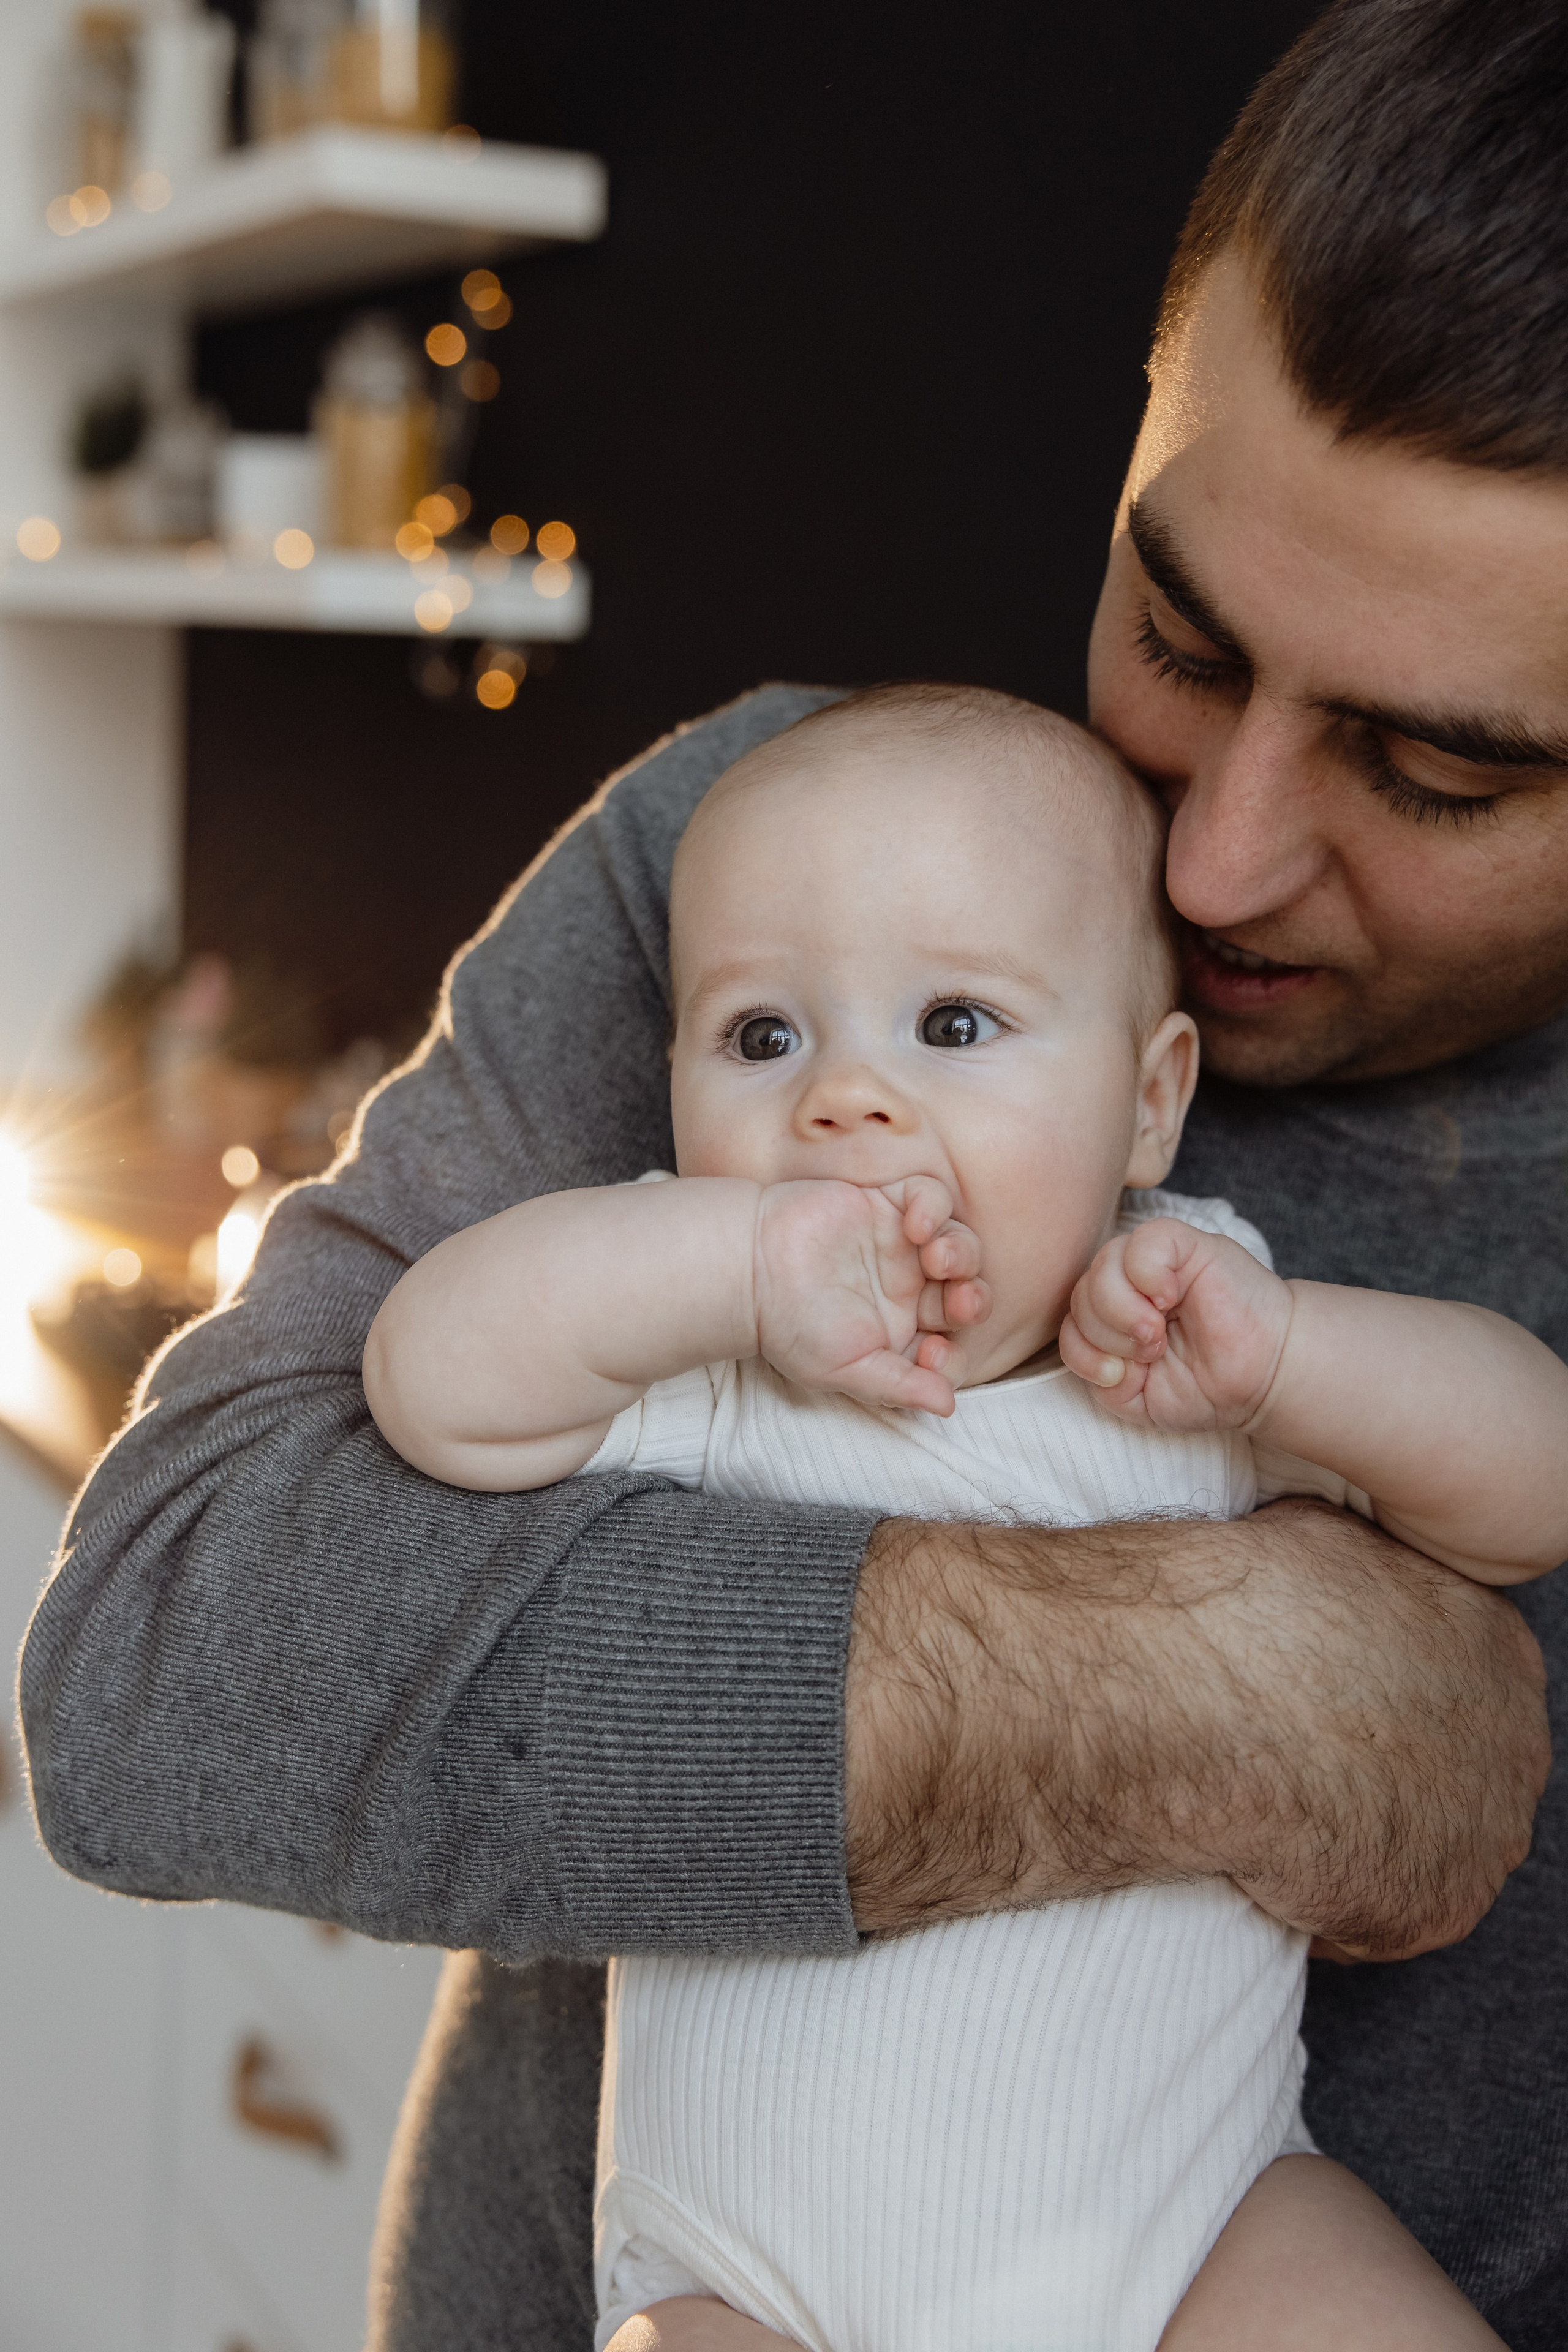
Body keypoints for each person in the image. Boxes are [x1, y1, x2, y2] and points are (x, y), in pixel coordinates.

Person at [15, 0, 1567, 2343]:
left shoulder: (1196, 1281)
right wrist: (1234, 1677)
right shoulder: (783, 857)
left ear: (1146, 1104)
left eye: (1439, 772)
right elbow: (159, 1670)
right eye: (1177, 631)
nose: (1221, 859)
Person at [363, 682, 1566, 2352]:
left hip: (1200, 2226)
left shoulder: (1187, 1337)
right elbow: (431, 1381)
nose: (844, 1102)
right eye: (763, 1037)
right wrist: (729, 1268)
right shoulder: (702, 1345)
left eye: (954, 1026)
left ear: (1150, 1104)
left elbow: (1533, 1486)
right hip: (744, 2285)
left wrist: (1297, 1359)